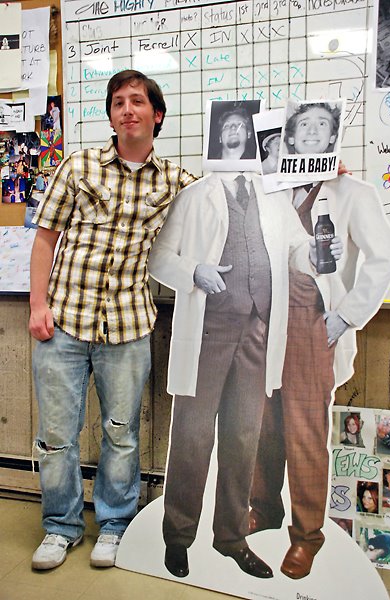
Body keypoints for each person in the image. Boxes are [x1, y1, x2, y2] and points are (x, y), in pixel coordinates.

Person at [148, 144, 342, 579]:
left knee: (242, 439)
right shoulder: (195, 195)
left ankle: (232, 538)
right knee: (193, 439)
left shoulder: (272, 196)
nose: (238, 137)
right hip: (208, 333)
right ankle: (178, 537)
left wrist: (313, 255)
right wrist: (194, 271)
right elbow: (159, 258)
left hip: (258, 334)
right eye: (231, 129)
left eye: (245, 131)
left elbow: (296, 249)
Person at [29, 69, 196, 571]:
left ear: (156, 115)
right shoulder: (78, 166)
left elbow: (233, 199)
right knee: (56, 437)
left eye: (137, 101)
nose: (127, 109)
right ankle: (60, 528)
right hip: (63, 323)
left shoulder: (177, 181)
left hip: (127, 328)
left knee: (121, 434)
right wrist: (37, 306)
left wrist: (313, 177)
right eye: (118, 102)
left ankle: (115, 525)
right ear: (110, 115)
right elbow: (45, 238)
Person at [250, 169, 390, 578]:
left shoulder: (351, 191)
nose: (304, 142)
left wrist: (346, 315)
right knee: (261, 423)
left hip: (311, 320)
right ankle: (263, 509)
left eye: (315, 136)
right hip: (263, 320)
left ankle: (306, 535)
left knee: (304, 431)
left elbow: (386, 254)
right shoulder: (267, 186)